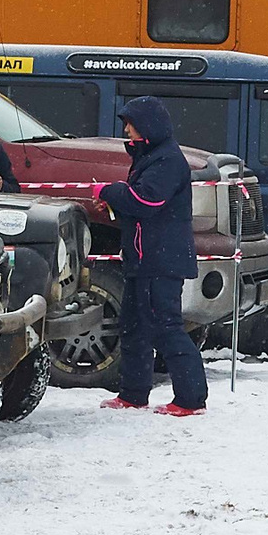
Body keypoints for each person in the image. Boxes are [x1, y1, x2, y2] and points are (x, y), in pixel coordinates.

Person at [97, 95, 208, 417]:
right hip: (142, 258)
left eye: (130, 123)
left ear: (147, 125)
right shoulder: (149, 155)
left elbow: (146, 202)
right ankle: (133, 394)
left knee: (166, 328)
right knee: (133, 327)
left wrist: (109, 192)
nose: (126, 130)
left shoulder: (167, 160)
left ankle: (190, 399)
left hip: (162, 260)